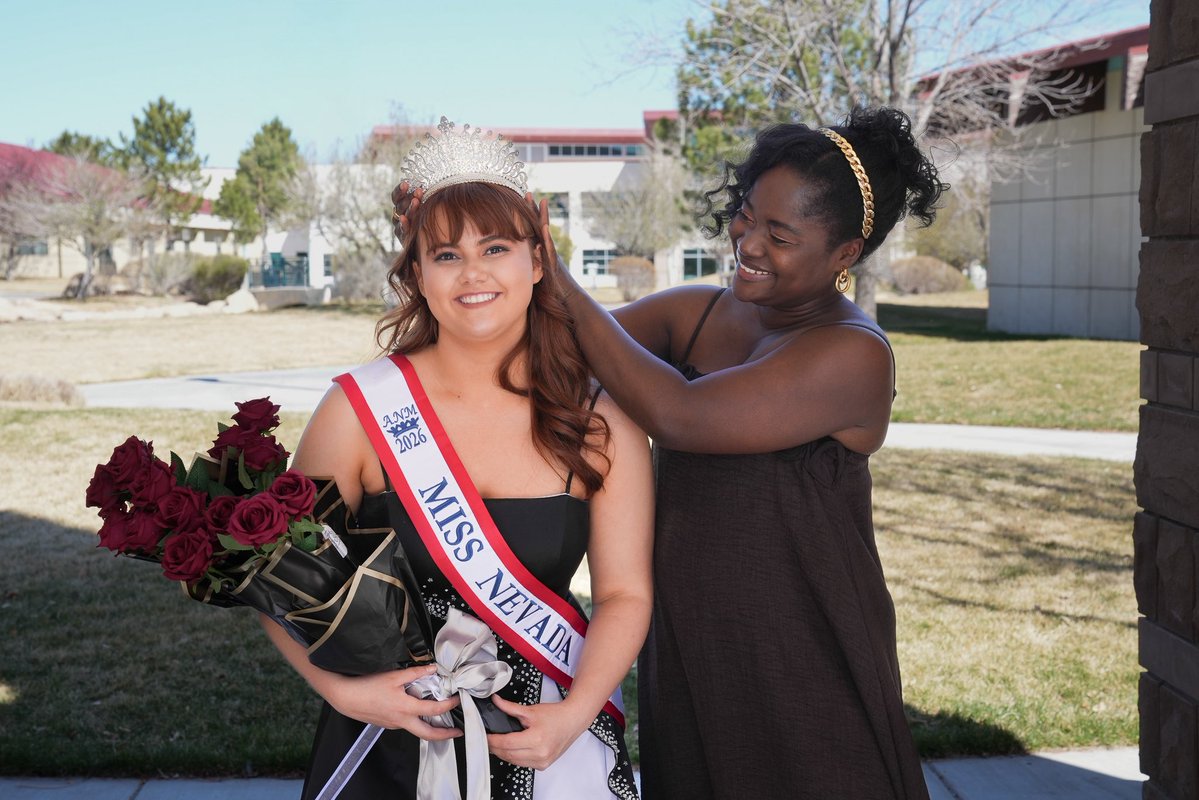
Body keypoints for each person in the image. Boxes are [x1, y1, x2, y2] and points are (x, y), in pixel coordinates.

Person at [546, 106, 944, 799]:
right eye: (747, 215)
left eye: (780, 234)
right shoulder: (697, 312)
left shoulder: (852, 354)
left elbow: (679, 415)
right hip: (693, 637)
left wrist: (559, 281)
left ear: (844, 253)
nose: (748, 243)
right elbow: (559, 353)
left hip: (800, 644)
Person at [263, 119, 654, 800]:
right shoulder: (360, 410)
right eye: (445, 255)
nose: (472, 272)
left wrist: (575, 713)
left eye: (495, 247)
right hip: (393, 740)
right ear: (417, 273)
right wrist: (346, 694)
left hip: (550, 739)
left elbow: (625, 593)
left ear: (537, 261)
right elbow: (275, 574)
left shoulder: (599, 419)